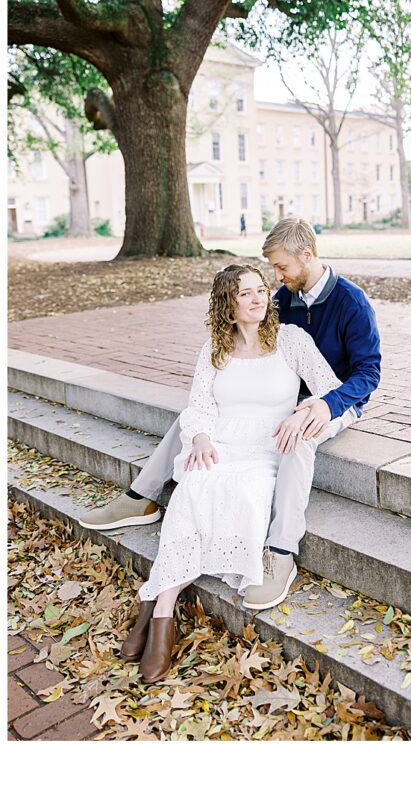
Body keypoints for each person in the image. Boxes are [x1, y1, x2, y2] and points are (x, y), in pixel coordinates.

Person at [80, 218, 381, 620]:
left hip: (337, 399)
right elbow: (259, 339)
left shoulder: (351, 302)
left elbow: (368, 373)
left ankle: (281, 551)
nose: (275, 278)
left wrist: (325, 406)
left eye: (281, 268)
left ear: (306, 257)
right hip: (286, 394)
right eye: (271, 271)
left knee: (300, 438)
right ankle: (141, 496)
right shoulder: (286, 297)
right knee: (195, 419)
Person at [114, 258, 344, 682]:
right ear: (228, 305)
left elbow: (333, 394)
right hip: (221, 441)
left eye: (261, 289)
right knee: (192, 487)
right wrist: (199, 437)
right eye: (246, 293)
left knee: (243, 489)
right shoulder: (214, 349)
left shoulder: (292, 340)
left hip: (267, 447)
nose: (259, 298)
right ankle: (163, 608)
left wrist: (309, 415)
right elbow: (198, 407)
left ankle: (153, 613)